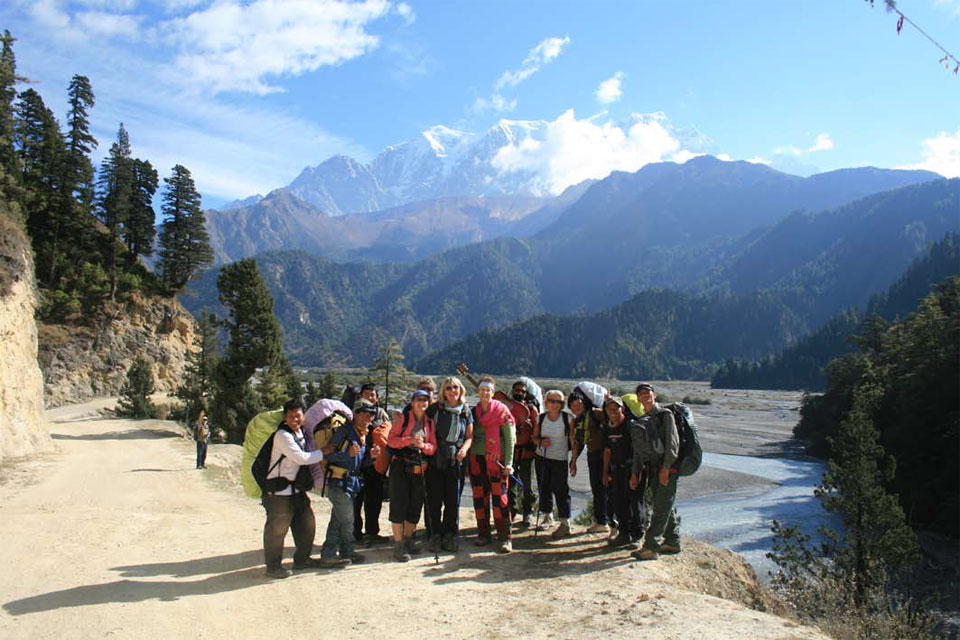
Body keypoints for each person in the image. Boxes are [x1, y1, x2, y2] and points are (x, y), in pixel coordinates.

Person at [261, 398, 326, 579]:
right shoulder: (283, 435)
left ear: (303, 415)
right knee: (277, 530)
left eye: (297, 415)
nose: (294, 419)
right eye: (290, 416)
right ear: (285, 417)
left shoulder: (302, 433)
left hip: (296, 490)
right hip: (279, 493)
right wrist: (325, 452)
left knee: (307, 525)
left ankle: (302, 559)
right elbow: (301, 458)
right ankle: (273, 567)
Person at [320, 400, 378, 567]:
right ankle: (340, 553)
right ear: (356, 414)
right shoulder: (343, 432)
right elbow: (328, 455)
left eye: (371, 414)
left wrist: (371, 456)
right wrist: (347, 453)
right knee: (347, 521)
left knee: (338, 520)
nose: (368, 417)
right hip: (339, 482)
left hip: (350, 483)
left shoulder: (363, 434)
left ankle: (334, 554)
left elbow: (362, 463)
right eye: (364, 413)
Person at [630, 383, 681, 561]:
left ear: (654, 395)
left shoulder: (665, 415)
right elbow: (638, 451)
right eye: (641, 394)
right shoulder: (643, 419)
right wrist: (635, 473)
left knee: (660, 507)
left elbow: (672, 444)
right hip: (652, 469)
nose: (645, 396)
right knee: (663, 504)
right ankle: (673, 541)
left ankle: (651, 547)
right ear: (638, 398)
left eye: (647, 393)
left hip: (667, 468)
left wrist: (666, 468)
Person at [386, 389, 437, 562]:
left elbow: (433, 447)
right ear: (412, 401)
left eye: (425, 400)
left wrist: (423, 446)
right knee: (399, 505)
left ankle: (408, 540)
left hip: (419, 468)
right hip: (400, 468)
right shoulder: (403, 418)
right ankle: (398, 544)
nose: (422, 403)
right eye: (418, 400)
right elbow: (391, 440)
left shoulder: (429, 422)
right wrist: (408, 441)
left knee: (415, 506)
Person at [425, 376, 474, 552]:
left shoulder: (466, 411)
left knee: (453, 501)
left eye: (455, 387)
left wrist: (464, 450)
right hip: (436, 459)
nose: (452, 391)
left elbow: (469, 437)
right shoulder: (434, 410)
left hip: (457, 460)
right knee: (435, 500)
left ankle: (449, 535)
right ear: (443, 392)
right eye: (448, 388)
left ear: (461, 390)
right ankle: (434, 535)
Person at [468, 376, 516, 553]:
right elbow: (469, 436)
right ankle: (483, 534)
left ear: (493, 393)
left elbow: (510, 439)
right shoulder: (475, 412)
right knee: (480, 497)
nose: (485, 393)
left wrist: (509, 463)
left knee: (500, 498)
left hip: (497, 460)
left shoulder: (502, 411)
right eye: (482, 390)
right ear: (478, 392)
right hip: (476, 458)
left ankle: (505, 537)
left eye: (488, 390)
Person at [568, 389, 612, 536]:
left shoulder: (595, 413)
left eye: (579, 404)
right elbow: (577, 443)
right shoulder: (577, 421)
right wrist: (573, 462)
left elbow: (610, 418)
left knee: (607, 489)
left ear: (584, 403)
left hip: (606, 455)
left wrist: (608, 401)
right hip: (592, 456)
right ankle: (601, 522)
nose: (576, 407)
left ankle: (612, 522)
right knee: (597, 489)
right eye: (573, 405)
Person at [602, 396, 644, 548]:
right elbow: (607, 450)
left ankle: (637, 536)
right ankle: (624, 534)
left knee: (635, 503)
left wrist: (636, 473)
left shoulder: (630, 426)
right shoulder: (608, 426)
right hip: (617, 469)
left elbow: (639, 451)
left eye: (616, 408)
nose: (613, 411)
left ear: (623, 409)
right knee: (620, 503)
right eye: (609, 408)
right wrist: (605, 472)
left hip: (632, 468)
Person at [353, 384, 391, 544]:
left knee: (374, 500)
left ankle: (372, 532)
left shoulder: (382, 415)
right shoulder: (354, 413)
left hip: (375, 463)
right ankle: (355, 533)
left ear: (377, 397)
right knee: (357, 500)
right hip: (357, 463)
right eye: (366, 394)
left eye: (372, 394)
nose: (370, 397)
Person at [533, 389, 573, 538]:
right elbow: (535, 438)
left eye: (559, 402)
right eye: (552, 401)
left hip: (560, 459)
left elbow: (574, 441)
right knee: (544, 486)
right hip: (542, 457)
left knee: (561, 489)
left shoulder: (568, 419)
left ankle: (564, 522)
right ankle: (547, 516)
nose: (555, 404)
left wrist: (574, 460)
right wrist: (540, 442)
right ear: (546, 402)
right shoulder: (540, 418)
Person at [508, 377, 542, 528]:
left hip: (527, 453)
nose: (519, 393)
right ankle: (511, 512)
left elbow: (537, 430)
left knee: (527, 485)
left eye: (522, 391)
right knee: (510, 485)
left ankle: (527, 513)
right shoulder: (507, 407)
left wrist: (532, 443)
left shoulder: (531, 409)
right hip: (511, 453)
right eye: (517, 390)